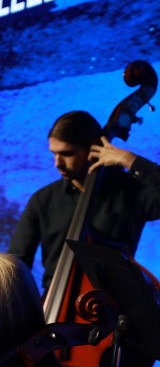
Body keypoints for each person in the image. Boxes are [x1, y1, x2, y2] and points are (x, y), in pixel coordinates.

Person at [8, 110, 160, 289]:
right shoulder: (43, 199)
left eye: (67, 153)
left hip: (110, 303)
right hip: (53, 299)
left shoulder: (131, 192)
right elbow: (17, 263)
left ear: (93, 147)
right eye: (54, 153)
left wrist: (129, 160)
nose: (57, 163)